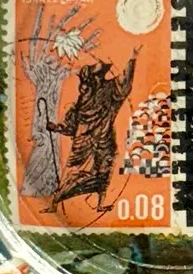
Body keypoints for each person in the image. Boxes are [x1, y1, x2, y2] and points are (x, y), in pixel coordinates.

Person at [43, 49, 139, 213]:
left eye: (87, 84)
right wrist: (56, 127)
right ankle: (54, 204)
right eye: (83, 84)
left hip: (104, 143)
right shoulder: (80, 104)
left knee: (103, 174)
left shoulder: (109, 92)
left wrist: (133, 59)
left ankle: (100, 204)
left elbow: (123, 83)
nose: (83, 89)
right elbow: (71, 125)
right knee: (73, 174)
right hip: (83, 146)